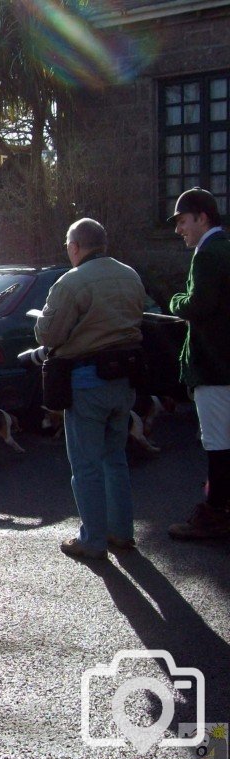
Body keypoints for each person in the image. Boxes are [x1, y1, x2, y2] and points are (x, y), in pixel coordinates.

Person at [35, 218, 146, 559]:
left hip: (87, 382)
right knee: (116, 459)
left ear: (75, 247)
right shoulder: (131, 275)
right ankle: (121, 533)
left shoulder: (72, 282)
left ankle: (93, 540)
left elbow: (48, 335)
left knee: (86, 466)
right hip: (125, 380)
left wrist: (41, 320)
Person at [165, 188, 230, 540]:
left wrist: (175, 302)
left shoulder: (208, 254)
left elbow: (197, 304)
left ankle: (215, 513)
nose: (179, 230)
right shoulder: (226, 248)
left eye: (183, 221)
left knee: (218, 443)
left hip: (215, 367)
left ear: (202, 217)